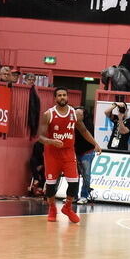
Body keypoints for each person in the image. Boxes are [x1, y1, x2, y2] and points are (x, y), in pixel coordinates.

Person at [37, 87, 101, 223]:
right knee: (50, 186)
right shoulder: (48, 114)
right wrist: (51, 141)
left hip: (68, 153)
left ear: (67, 97)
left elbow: (83, 131)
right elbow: (40, 137)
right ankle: (52, 208)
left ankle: (67, 207)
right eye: (59, 95)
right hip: (52, 154)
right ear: (55, 98)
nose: (62, 97)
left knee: (74, 183)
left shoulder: (74, 113)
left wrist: (95, 144)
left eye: (64, 95)